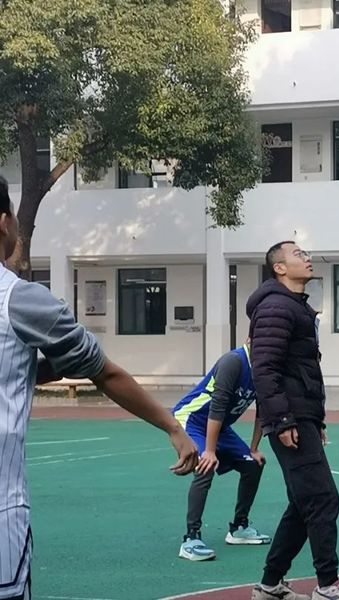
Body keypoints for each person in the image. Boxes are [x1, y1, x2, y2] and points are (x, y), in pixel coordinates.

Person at [0, 174, 198, 600]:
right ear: (4, 223)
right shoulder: (21, 300)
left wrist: (29, 368)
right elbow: (104, 373)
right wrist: (173, 426)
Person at [248, 242, 339, 600]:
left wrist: (315, 419)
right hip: (289, 418)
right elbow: (264, 369)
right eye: (298, 254)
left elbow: (302, 370)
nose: (308, 257)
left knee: (304, 502)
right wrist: (283, 420)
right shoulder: (276, 307)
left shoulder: (295, 306)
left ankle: (270, 585)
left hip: (301, 416)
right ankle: (327, 586)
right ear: (280, 268)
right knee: (324, 499)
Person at [173, 340, 271, 561]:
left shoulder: (265, 368)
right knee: (205, 466)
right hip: (191, 419)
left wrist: (254, 448)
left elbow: (263, 410)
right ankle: (191, 538)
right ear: (250, 340)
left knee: (253, 464)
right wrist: (209, 450)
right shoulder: (233, 362)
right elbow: (217, 406)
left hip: (219, 425)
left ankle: (239, 528)